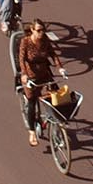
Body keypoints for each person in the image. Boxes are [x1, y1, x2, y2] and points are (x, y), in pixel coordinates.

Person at [17, 18, 63, 147]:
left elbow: (53, 54)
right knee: (32, 101)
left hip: (44, 72)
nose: (41, 33)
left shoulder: (45, 40)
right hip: (31, 75)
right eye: (38, 30)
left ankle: (56, 123)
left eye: (43, 30)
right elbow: (21, 59)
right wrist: (25, 75)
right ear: (32, 30)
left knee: (56, 96)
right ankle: (31, 132)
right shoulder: (25, 42)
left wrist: (60, 67)